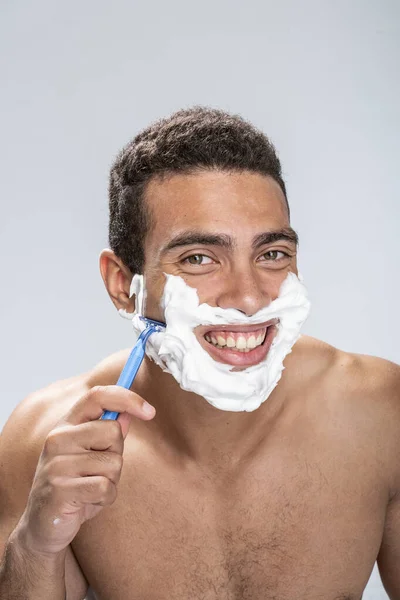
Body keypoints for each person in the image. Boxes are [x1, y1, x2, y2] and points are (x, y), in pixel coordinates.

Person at [0, 107, 399, 600]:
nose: (250, 298)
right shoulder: (47, 440)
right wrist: (35, 547)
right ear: (123, 284)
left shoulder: (381, 413)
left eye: (272, 254)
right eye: (199, 259)